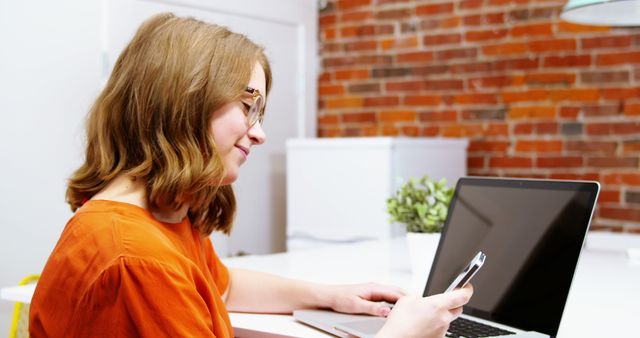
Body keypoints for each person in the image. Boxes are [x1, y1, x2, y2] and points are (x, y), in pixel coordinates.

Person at [29, 13, 472, 338]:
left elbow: (222, 287)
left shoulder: (158, 218)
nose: (259, 134)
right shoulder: (136, 259)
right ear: (183, 103)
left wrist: (333, 296)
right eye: (248, 106)